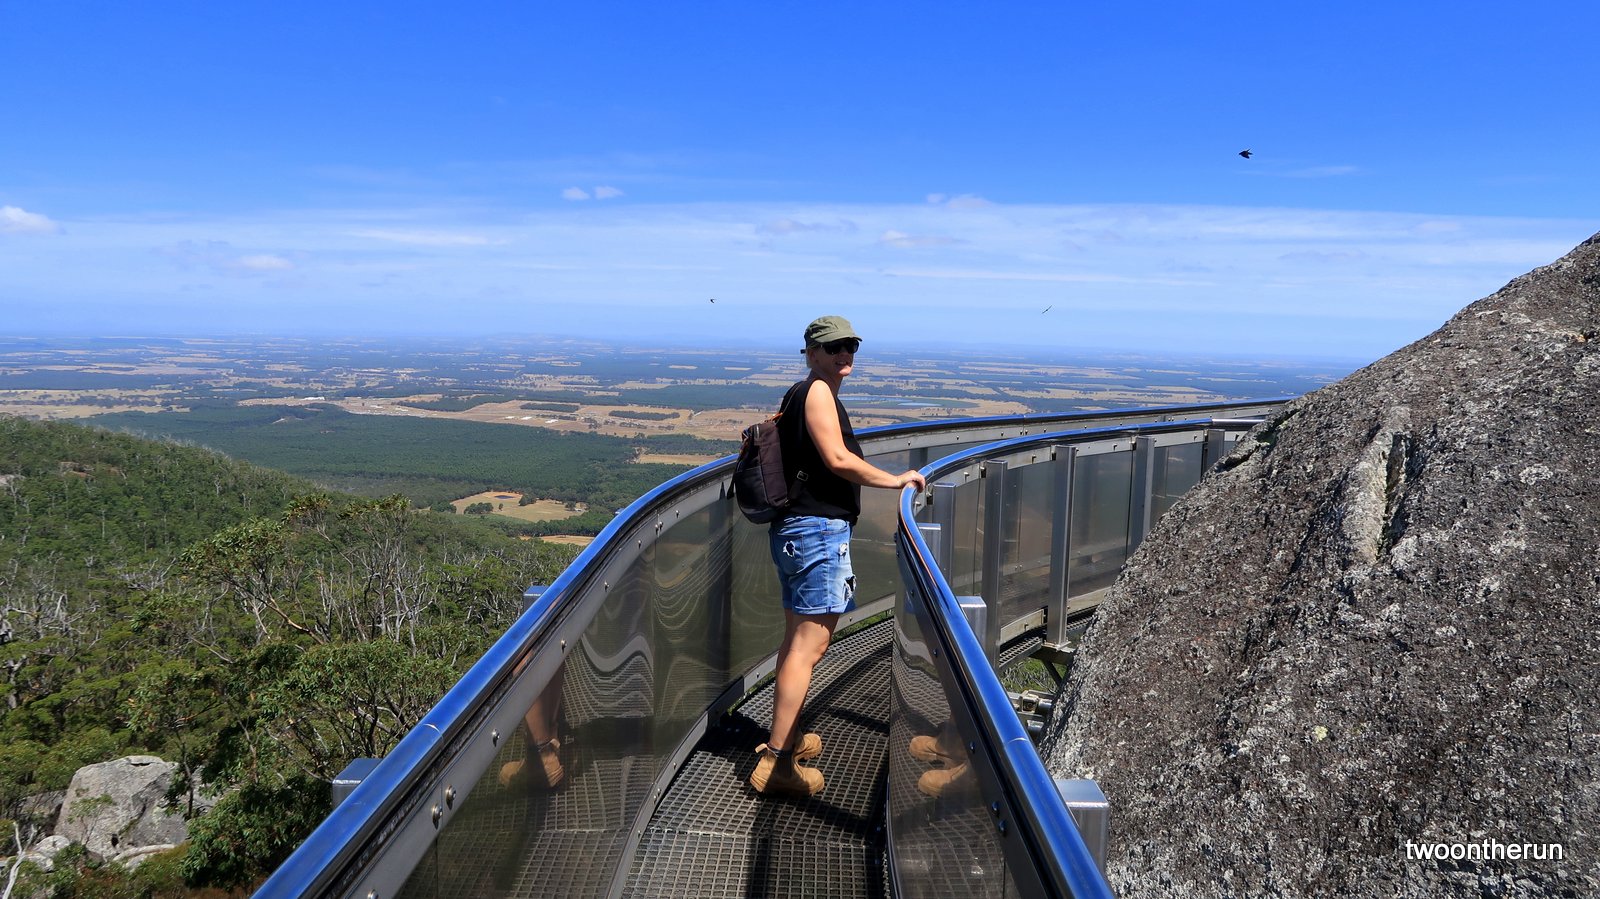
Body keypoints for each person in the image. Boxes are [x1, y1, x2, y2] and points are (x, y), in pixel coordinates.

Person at [750, 315, 928, 798]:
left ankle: (783, 739)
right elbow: (836, 459)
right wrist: (896, 480)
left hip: (796, 531)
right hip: (816, 534)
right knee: (809, 649)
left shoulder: (801, 391)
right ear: (810, 351)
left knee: (796, 643)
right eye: (832, 348)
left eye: (849, 345)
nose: (843, 354)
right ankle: (778, 764)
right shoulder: (818, 394)